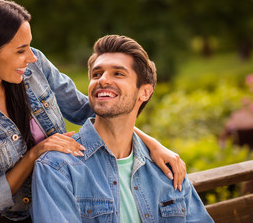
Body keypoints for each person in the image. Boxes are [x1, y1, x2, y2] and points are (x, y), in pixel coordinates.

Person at [0, 0, 186, 221]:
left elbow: (90, 110)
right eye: (21, 50)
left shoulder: (33, 69)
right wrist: (35, 154)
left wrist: (152, 144)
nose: (32, 57)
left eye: (30, 47)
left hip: (74, 199)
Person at [31, 35, 213, 222]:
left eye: (118, 73)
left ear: (145, 92)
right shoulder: (58, 168)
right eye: (96, 74)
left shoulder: (166, 168)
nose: (102, 80)